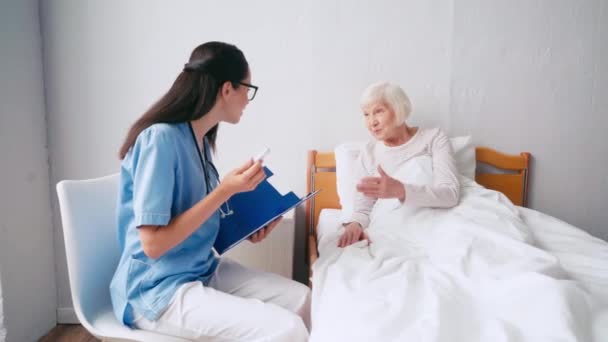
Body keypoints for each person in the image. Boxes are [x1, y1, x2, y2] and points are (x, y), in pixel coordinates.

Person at [110, 41, 310, 341]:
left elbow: (197, 226)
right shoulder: (160, 140)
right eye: (248, 89)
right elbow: (152, 244)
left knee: (302, 299)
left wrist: (251, 225)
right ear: (227, 89)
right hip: (156, 289)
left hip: (200, 269)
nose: (248, 99)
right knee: (286, 329)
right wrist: (223, 192)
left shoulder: (199, 140)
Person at [338, 81, 461, 248]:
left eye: (378, 111)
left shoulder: (433, 138)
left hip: (438, 220)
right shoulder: (368, 152)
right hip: (396, 226)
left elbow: (450, 194)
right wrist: (355, 225)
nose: (371, 122)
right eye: (366, 114)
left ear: (398, 109)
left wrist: (401, 191)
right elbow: (362, 210)